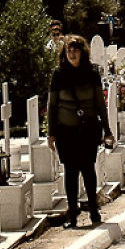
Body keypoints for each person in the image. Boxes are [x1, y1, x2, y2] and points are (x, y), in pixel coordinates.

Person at [47, 35, 114, 229]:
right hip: (66, 132)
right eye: (69, 50)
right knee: (70, 172)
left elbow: (100, 103)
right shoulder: (58, 75)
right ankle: (73, 214)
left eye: (75, 50)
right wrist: (51, 133)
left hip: (88, 129)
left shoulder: (92, 72)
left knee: (88, 169)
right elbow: (52, 105)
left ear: (82, 52)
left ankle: (93, 208)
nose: (72, 54)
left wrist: (108, 130)